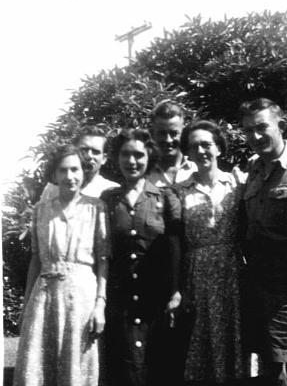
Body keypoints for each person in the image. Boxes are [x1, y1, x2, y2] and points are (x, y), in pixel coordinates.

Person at [13, 144, 111, 386]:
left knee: (76, 366)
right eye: (63, 170)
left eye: (75, 170)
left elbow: (103, 260)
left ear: (83, 173)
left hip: (82, 298)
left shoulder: (96, 208)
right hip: (44, 297)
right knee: (38, 368)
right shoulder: (41, 210)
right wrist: (26, 306)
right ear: (54, 175)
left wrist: (100, 305)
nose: (70, 177)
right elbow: (36, 259)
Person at [239, 98, 287, 386]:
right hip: (262, 285)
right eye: (247, 131)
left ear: (280, 125)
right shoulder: (254, 169)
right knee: (271, 372)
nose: (255, 137)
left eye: (261, 127)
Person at [101, 129, 182, 386]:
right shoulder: (108, 199)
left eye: (138, 155)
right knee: (123, 369)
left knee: (157, 366)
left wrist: (175, 292)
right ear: (117, 158)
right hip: (120, 299)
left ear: (149, 157)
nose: (131, 161)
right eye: (125, 154)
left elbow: (176, 247)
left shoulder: (166, 197)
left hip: (155, 300)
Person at [177, 120, 248, 385]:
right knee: (201, 346)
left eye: (207, 144)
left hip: (232, 275)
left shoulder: (237, 183)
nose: (201, 151)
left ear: (218, 147)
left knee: (235, 341)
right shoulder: (180, 191)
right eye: (194, 146)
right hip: (197, 278)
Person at [40, 124, 119, 201]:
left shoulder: (112, 190)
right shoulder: (54, 188)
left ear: (104, 159)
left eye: (95, 152)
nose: (89, 156)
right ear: (74, 151)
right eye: (84, 150)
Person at [147, 100, 196, 187]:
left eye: (174, 133)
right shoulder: (144, 174)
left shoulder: (196, 170)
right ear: (152, 134)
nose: (168, 140)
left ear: (183, 133)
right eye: (162, 133)